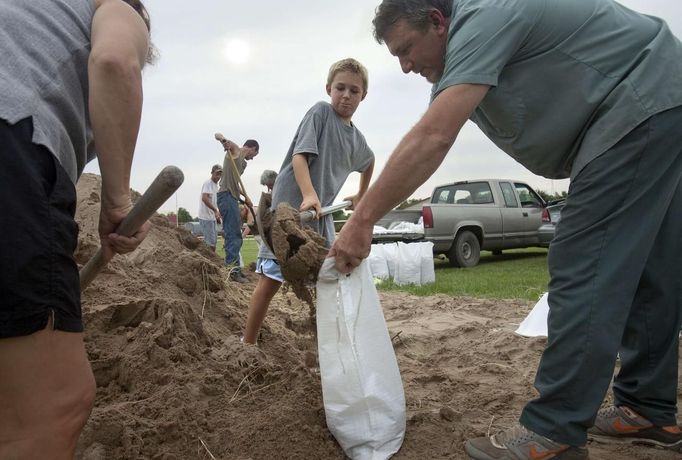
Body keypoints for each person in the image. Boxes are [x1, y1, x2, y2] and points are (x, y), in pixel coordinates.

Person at [330, 1, 682, 458]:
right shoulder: (468, 51)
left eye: (407, 49)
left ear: (438, 22)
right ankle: (646, 408)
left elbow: (434, 136)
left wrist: (361, 222)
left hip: (640, 103)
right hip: (663, 98)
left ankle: (554, 430)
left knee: (584, 261)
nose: (405, 65)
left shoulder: (485, 14)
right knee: (652, 263)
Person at [0, 0, 153, 457]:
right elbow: (114, 61)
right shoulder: (115, 6)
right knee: (53, 405)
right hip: (12, 148)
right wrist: (117, 199)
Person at [243, 58, 375, 344]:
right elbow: (299, 157)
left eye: (354, 90)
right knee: (272, 279)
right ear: (329, 88)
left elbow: (369, 162)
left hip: (320, 213)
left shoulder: (357, 140)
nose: (346, 95)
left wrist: (362, 195)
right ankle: (248, 343)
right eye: (340, 88)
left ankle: (325, 345)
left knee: (326, 277)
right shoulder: (320, 113)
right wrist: (309, 193)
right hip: (291, 210)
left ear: (363, 96)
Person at [216, 138, 259, 283]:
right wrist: (225, 141)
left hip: (232, 196)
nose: (252, 158)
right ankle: (233, 272)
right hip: (226, 196)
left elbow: (235, 183)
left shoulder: (243, 163)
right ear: (252, 148)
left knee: (235, 234)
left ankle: (235, 269)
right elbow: (233, 146)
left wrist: (245, 197)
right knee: (233, 234)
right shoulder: (235, 153)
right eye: (254, 154)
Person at [197, 164, 223, 251]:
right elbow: (204, 198)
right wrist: (215, 210)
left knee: (214, 241)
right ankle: (210, 260)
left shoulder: (215, 186)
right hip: (205, 217)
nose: (218, 176)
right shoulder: (208, 183)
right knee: (211, 243)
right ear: (212, 173)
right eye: (217, 174)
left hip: (211, 217)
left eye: (220, 174)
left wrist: (217, 215)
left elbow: (214, 202)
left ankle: (209, 259)